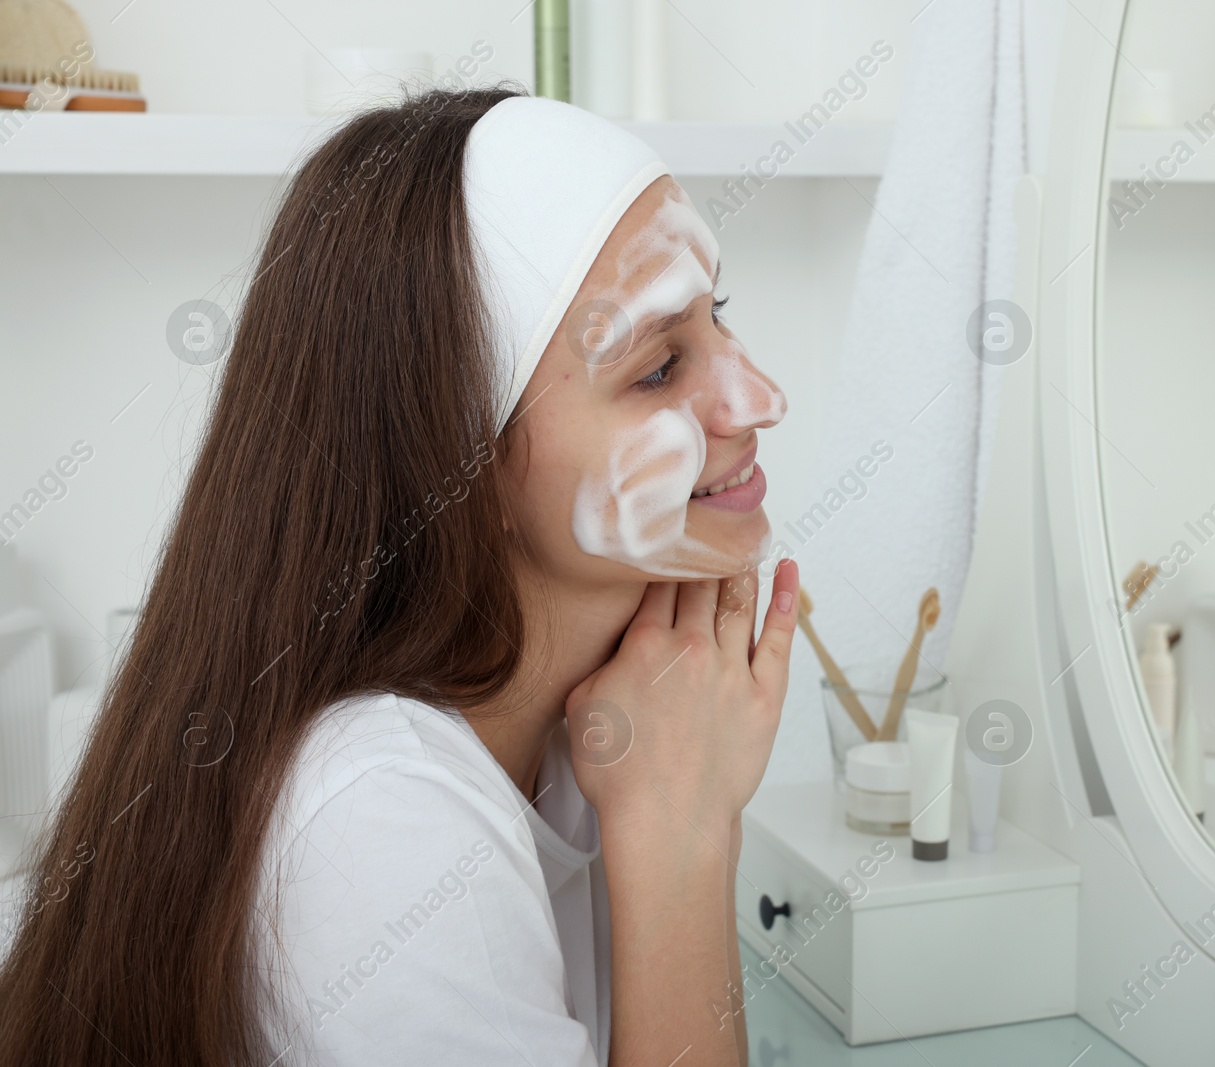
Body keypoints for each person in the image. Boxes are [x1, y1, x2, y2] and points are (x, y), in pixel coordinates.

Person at [0, 86, 797, 1067]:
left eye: (718, 316)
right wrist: (683, 829)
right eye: (658, 367)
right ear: (463, 466)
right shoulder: (382, 826)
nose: (762, 397)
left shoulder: (611, 720)